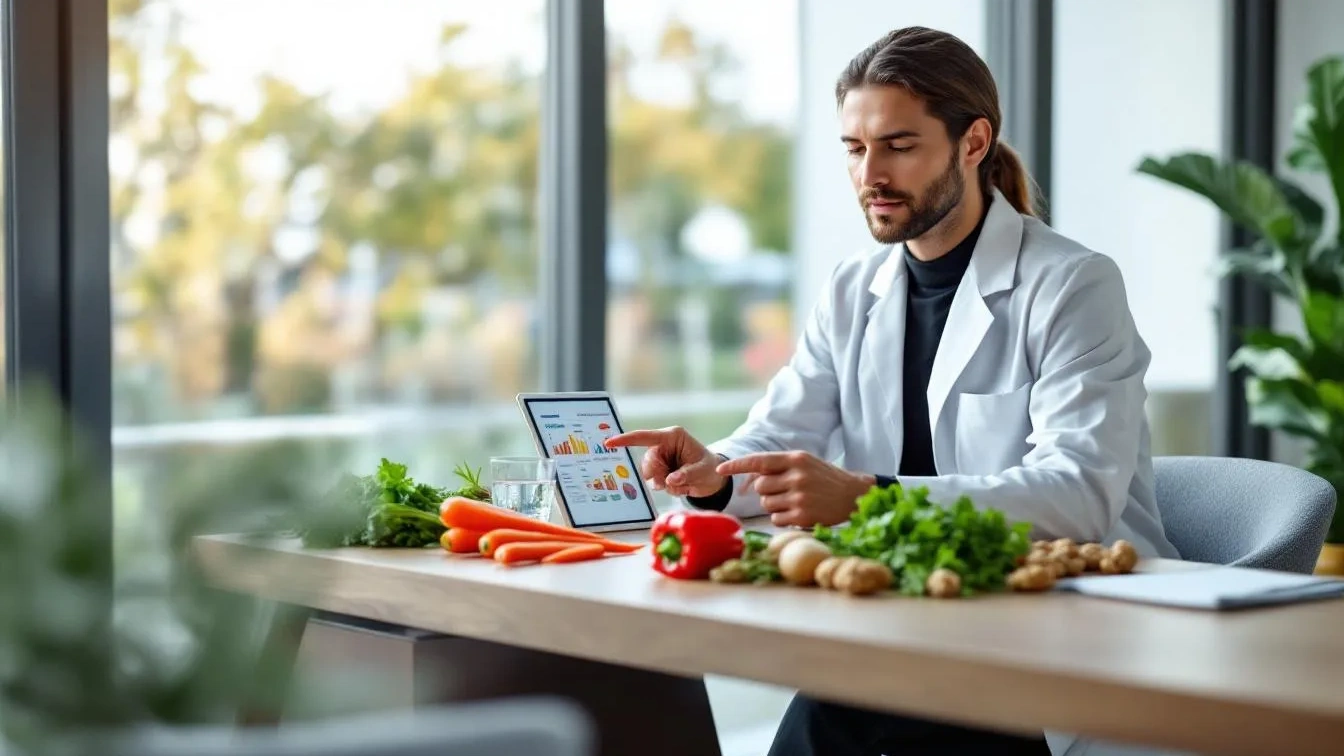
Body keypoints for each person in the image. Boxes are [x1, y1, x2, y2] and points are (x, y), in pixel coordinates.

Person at [605, 25, 1179, 756]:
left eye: (898, 146)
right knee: (834, 707)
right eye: (854, 148)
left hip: (1050, 625)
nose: (869, 174)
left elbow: (1076, 494)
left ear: (973, 143)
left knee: (858, 713)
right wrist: (715, 474)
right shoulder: (854, 287)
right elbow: (784, 430)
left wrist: (868, 496)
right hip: (913, 616)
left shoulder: (1072, 284)